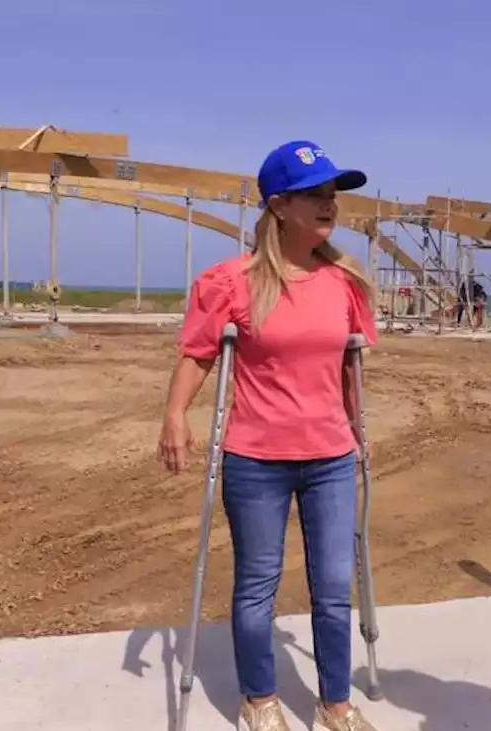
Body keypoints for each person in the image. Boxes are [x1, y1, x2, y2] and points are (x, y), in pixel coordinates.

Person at [157, 140, 380, 731]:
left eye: (332, 194)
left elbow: (349, 367)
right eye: (315, 194)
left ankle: (335, 703)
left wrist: (359, 432)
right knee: (258, 583)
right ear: (279, 204)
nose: (329, 204)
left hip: (330, 454)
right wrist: (175, 415)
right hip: (256, 457)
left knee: (334, 585)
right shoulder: (230, 281)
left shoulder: (346, 282)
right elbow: (198, 353)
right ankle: (259, 698)